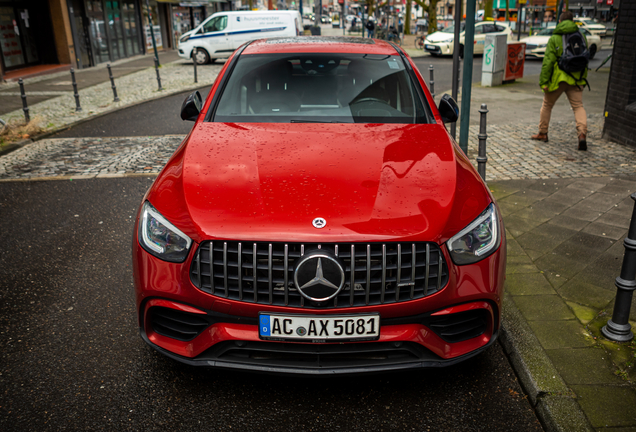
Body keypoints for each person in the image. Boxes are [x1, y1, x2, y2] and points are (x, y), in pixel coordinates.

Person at [531, 11, 589, 151]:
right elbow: (585, 59)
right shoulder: (581, 36)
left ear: (560, 21)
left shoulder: (555, 38)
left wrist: (544, 82)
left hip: (559, 79)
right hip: (576, 78)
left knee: (547, 105)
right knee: (578, 106)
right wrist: (582, 79)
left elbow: (548, 62)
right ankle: (581, 134)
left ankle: (543, 133)